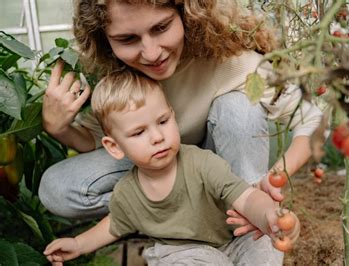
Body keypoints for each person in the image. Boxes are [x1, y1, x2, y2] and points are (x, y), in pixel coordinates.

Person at [39, 0, 320, 242]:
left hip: (222, 175)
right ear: (105, 38)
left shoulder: (231, 61)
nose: (151, 53)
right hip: (157, 172)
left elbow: (312, 119)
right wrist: (58, 128)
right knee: (56, 188)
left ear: (187, 13)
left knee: (238, 108)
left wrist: (276, 177)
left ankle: (244, 214)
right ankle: (178, 218)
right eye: (127, 39)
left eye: (161, 28)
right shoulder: (118, 73)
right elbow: (98, 140)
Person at [43, 70, 300, 265]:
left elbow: (245, 196)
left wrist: (268, 215)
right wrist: (78, 244)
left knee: (264, 245)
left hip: (230, 243)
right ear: (114, 147)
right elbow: (113, 226)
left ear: (173, 116)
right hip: (181, 252)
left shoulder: (201, 163)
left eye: (163, 121)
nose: (157, 137)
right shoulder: (128, 191)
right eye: (139, 132)